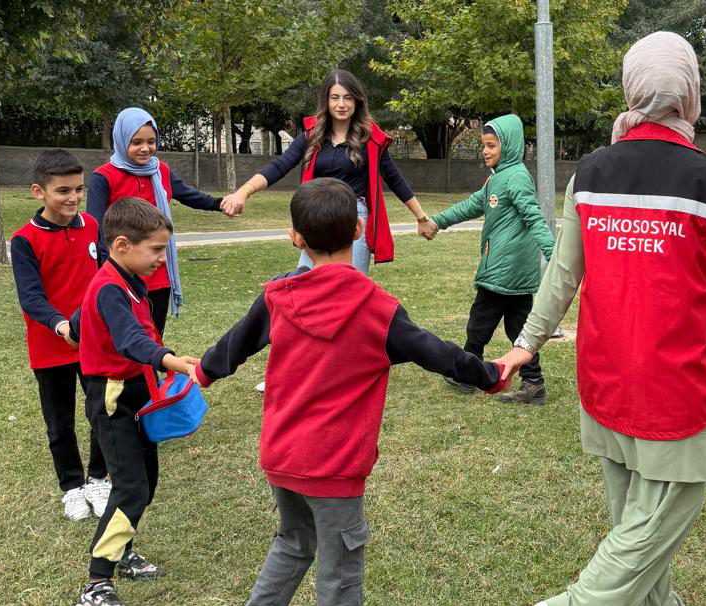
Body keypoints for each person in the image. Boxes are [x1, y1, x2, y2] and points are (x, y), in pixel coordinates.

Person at [496, 32, 706, 606]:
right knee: (669, 504)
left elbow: (562, 274)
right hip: (676, 376)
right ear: (689, 93)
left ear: (632, 91)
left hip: (605, 367)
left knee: (632, 507)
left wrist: (527, 343)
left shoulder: (591, 173)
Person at [191, 178, 508, 606]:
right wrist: (492, 374)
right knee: (339, 562)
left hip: (281, 456)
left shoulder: (277, 296)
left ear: (295, 238)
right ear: (360, 229)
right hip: (332, 467)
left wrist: (200, 373)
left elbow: (232, 346)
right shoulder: (376, 308)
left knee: (294, 540)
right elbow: (441, 354)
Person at [68, 198, 199, 606]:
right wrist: (170, 360)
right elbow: (130, 339)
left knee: (146, 481)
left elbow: (89, 321)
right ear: (122, 245)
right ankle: (96, 585)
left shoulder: (127, 281)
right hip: (113, 396)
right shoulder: (109, 286)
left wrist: (76, 326)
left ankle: (122, 552)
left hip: (138, 390)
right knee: (131, 488)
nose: (163, 259)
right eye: (157, 250)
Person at [221, 70, 434, 274]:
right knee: (309, 285)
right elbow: (279, 166)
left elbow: (395, 180)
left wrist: (421, 217)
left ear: (357, 101)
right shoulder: (310, 137)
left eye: (348, 98)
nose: (341, 104)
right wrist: (243, 192)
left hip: (352, 217)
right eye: (335, 98)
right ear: (327, 101)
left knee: (348, 290)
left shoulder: (371, 141)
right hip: (315, 216)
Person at [423, 114, 555, 404]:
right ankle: (533, 384)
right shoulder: (498, 178)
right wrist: (436, 222)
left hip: (502, 273)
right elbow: (472, 206)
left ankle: (468, 377)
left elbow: (534, 218)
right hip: (516, 275)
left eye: (491, 145)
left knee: (478, 326)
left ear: (507, 146)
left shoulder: (516, 178)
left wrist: (555, 257)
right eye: (483, 145)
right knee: (519, 329)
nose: (485, 151)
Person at [10, 149, 110, 521]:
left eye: (79, 189)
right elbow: (30, 297)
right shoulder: (24, 240)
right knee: (60, 423)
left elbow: (106, 277)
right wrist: (62, 325)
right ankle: (71, 486)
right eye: (63, 191)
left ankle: (99, 478)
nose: (73, 198)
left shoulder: (93, 228)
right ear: (39, 192)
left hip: (94, 344)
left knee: (103, 413)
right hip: (51, 347)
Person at [87, 107, 234, 336]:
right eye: (136, 142)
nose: (145, 148)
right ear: (122, 139)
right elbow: (95, 228)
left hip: (157, 270)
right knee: (124, 340)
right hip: (121, 272)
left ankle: (151, 373)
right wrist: (108, 272)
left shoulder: (159, 170)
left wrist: (219, 203)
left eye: (151, 141)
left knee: (153, 336)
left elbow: (187, 194)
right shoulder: (104, 177)